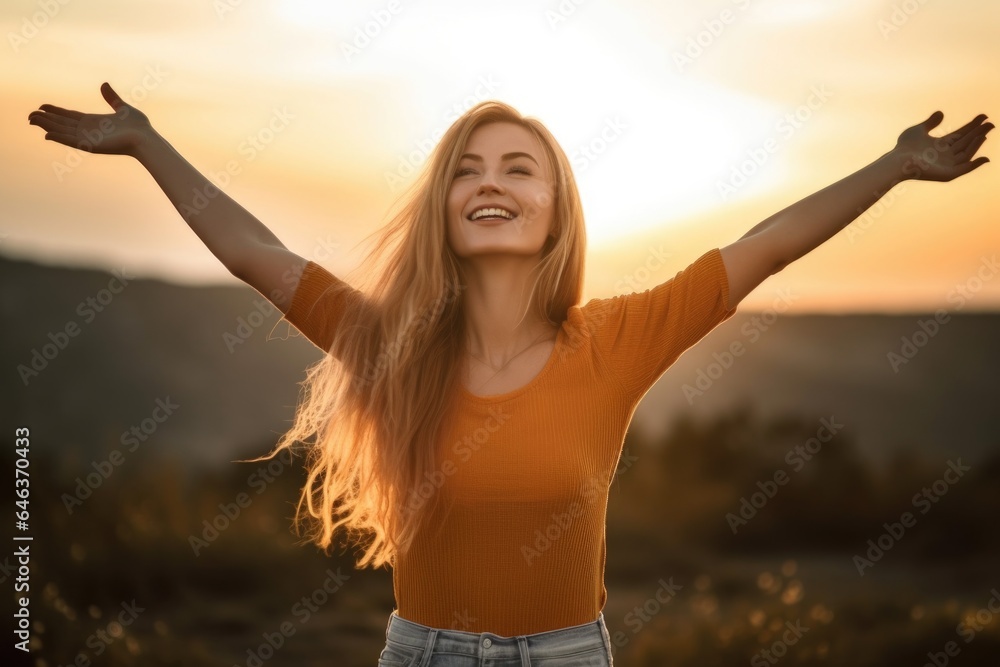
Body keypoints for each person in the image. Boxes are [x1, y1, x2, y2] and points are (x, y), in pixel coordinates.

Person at [28, 83, 991, 666]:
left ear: (557, 209)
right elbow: (254, 252)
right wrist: (148, 143)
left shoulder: (619, 339)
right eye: (467, 168)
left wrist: (893, 165)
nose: (492, 180)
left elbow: (766, 245)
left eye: (520, 167)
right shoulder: (387, 344)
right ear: (443, 205)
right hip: (422, 653)